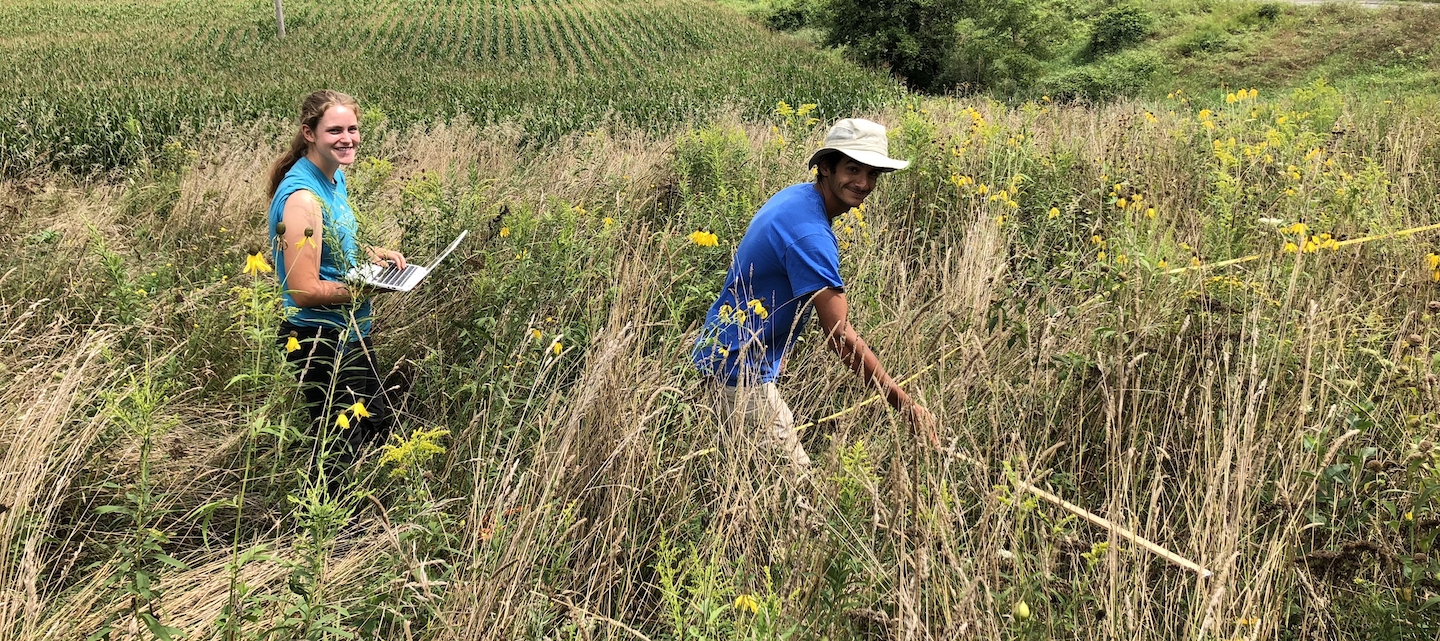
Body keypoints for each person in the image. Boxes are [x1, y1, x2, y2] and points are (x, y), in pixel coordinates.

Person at [692, 118, 937, 471]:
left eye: (873, 174)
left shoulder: (797, 198)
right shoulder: (810, 235)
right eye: (853, 169)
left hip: (726, 351)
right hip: (737, 369)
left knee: (739, 472)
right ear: (825, 166)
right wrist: (906, 406)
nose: (864, 183)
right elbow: (840, 336)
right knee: (793, 489)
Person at [267, 89, 409, 485]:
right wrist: (371, 288)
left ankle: (359, 520)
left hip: (349, 331)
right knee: (338, 448)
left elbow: (334, 241)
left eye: (353, 128)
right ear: (309, 133)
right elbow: (304, 290)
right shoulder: (303, 199)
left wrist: (372, 255)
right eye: (335, 130)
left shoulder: (334, 178)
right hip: (319, 337)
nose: (347, 138)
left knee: (374, 423)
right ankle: (332, 538)